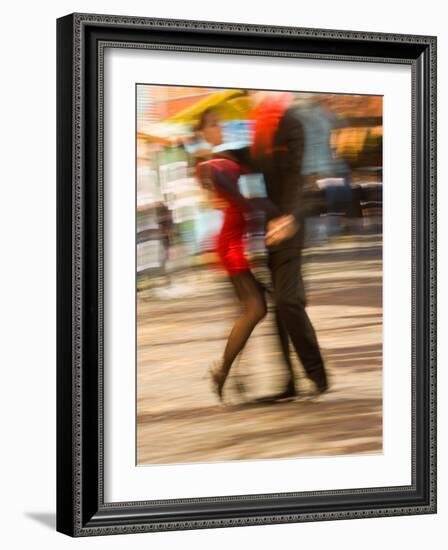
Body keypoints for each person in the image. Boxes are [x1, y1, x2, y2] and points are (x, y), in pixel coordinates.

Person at [249, 91, 329, 398]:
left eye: (256, 91)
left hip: (290, 227)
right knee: (282, 306)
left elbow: (298, 177)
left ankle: (317, 374)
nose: (253, 96)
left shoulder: (290, 123)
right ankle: (289, 382)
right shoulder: (259, 129)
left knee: (287, 302)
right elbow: (252, 165)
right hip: (270, 229)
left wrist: (289, 218)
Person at [194, 109, 268, 402]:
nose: (220, 128)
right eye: (213, 125)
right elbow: (208, 173)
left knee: (251, 310)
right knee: (254, 310)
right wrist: (242, 202)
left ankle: (233, 375)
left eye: (220, 123)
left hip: (235, 243)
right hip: (231, 246)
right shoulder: (219, 163)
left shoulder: (237, 165)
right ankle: (224, 372)